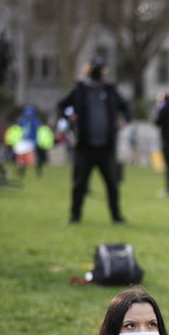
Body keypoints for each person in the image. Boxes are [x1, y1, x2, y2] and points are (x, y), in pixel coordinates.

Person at [57, 56, 130, 224]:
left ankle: (116, 216)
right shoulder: (80, 89)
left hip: (106, 147)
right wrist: (70, 116)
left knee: (112, 184)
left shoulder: (110, 89)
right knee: (79, 184)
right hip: (85, 146)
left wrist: (124, 120)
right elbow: (62, 105)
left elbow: (126, 107)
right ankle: (75, 216)